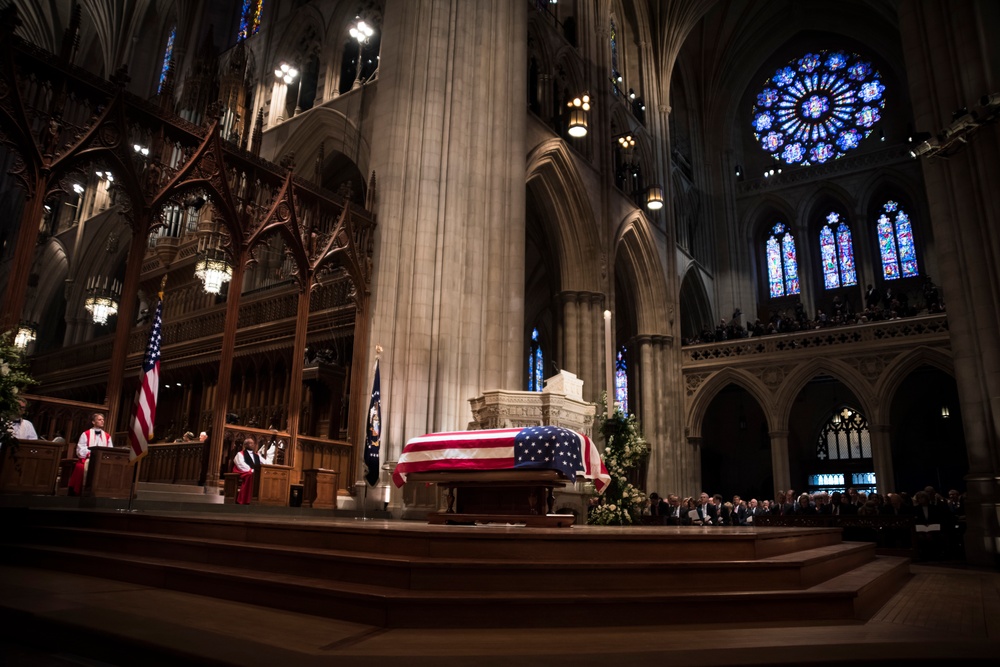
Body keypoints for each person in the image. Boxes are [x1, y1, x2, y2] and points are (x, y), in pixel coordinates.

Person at [68, 412, 113, 496]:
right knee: (81, 467)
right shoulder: (86, 434)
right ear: (93, 422)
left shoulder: (107, 436)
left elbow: (110, 450)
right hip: (88, 459)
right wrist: (90, 453)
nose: (102, 421)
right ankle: (82, 491)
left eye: (103, 420)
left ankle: (101, 492)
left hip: (101, 460)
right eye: (99, 420)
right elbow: (80, 448)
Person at [233, 437, 260, 505]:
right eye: (250, 443)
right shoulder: (240, 454)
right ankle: (246, 499)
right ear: (245, 445)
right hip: (244, 471)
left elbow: (264, 462)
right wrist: (250, 470)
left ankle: (258, 498)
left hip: (254, 471)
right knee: (250, 476)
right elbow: (240, 464)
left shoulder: (257, 455)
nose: (252, 445)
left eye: (253, 443)